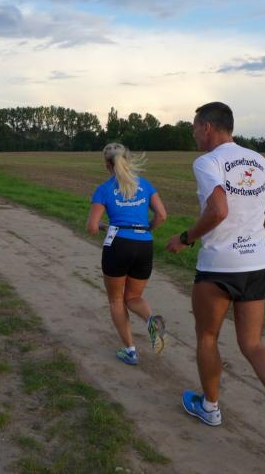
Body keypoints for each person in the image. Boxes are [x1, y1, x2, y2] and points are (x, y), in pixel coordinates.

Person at [165, 102, 265, 463]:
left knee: (207, 337)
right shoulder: (258, 160)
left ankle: (210, 407)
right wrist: (252, 232)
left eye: (194, 128)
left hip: (219, 266)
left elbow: (218, 210)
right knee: (253, 343)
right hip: (256, 263)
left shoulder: (208, 162)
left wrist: (185, 238)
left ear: (208, 127)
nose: (193, 135)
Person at [87, 142, 168, 366]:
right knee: (133, 297)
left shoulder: (103, 189)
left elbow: (92, 226)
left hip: (118, 245)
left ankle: (130, 351)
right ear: (128, 160)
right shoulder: (145, 184)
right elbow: (162, 215)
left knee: (116, 299)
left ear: (107, 165)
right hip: (144, 244)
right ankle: (152, 322)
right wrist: (146, 229)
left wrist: (104, 226)